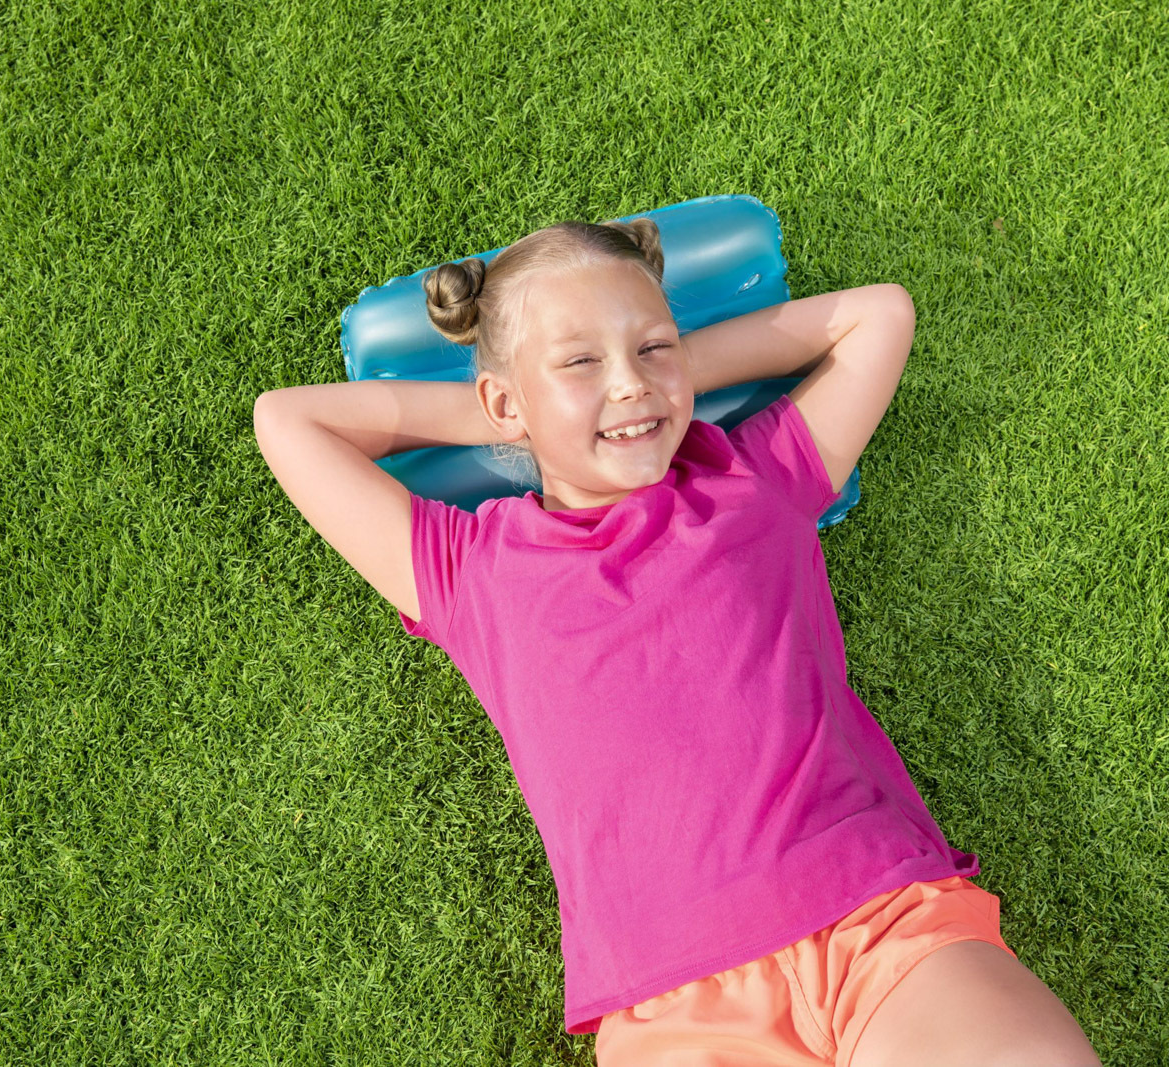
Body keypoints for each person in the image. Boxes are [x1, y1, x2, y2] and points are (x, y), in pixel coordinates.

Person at [253, 217, 1101, 1066]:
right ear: (503, 400)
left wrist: (660, 378)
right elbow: (287, 421)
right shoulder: (469, 571)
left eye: (653, 346)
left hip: (874, 919)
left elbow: (879, 315)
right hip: (672, 1002)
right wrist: (512, 415)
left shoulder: (755, 477)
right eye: (581, 362)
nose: (630, 383)